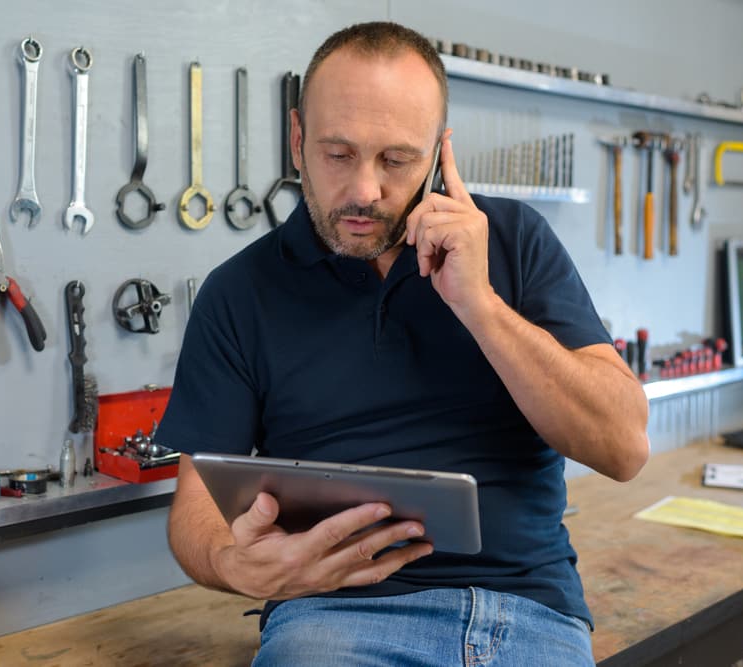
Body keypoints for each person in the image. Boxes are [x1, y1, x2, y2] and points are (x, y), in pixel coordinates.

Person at [157, 21, 649, 666]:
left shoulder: (516, 240)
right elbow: (196, 497)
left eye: (396, 159)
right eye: (338, 154)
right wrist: (234, 563)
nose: (364, 190)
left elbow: (622, 448)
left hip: (527, 613)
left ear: (440, 152)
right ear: (297, 139)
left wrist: (479, 303)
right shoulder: (237, 292)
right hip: (332, 618)